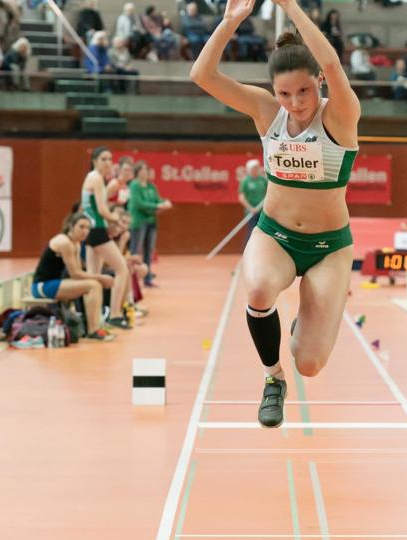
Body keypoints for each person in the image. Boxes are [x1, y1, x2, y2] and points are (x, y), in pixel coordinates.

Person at [190, 0, 362, 428]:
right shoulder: (268, 111)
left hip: (328, 248)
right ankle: (272, 379)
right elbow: (202, 76)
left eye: (304, 91)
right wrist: (231, 21)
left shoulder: (339, 115)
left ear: (318, 82)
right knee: (260, 292)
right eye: (285, 94)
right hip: (276, 235)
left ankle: (309, 315)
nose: (296, 102)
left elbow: (333, 63)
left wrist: (290, 6)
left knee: (311, 363)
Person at [31, 212, 116, 342]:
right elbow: (75, 274)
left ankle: (94, 327)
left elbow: (78, 273)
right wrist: (100, 277)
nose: (85, 231)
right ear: (71, 226)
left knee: (93, 285)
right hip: (41, 286)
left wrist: (98, 277)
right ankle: (93, 330)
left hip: (55, 283)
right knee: (93, 285)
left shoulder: (75, 243)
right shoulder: (64, 242)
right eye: (81, 227)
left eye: (88, 228)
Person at [80, 147, 132, 329]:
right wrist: (117, 221)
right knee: (122, 270)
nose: (108, 162)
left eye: (110, 159)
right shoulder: (96, 178)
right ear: (95, 160)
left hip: (92, 230)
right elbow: (102, 210)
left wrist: (112, 221)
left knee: (93, 278)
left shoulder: (92, 178)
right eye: (104, 159)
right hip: (97, 230)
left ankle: (92, 321)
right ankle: (115, 314)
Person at [128, 161, 172, 287]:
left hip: (151, 221)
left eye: (147, 170)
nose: (145, 172)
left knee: (149, 251)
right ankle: (132, 279)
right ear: (137, 172)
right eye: (142, 170)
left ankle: (147, 279)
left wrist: (165, 202)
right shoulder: (134, 185)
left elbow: (157, 200)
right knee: (136, 251)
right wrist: (157, 206)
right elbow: (138, 204)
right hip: (139, 222)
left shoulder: (151, 186)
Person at [238, 158, 267, 242]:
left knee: (263, 232)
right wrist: (251, 208)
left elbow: (268, 193)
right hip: (251, 212)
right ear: (249, 169)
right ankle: (247, 252)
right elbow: (241, 197)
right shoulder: (245, 181)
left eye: (257, 167)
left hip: (262, 211)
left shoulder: (263, 180)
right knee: (252, 231)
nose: (256, 169)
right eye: (254, 168)